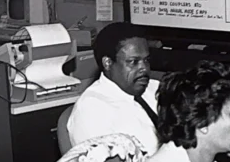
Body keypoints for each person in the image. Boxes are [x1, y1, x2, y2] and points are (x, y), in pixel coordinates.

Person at [67, 22, 160, 153]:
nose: (144, 68)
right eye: (133, 62)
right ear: (108, 63)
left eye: (146, 60)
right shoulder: (92, 111)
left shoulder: (154, 89)